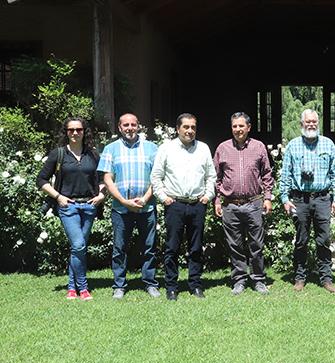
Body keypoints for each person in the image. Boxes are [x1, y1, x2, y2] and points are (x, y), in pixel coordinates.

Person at [36, 117, 106, 301]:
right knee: (78, 245)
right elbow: (41, 180)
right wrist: (58, 197)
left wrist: (101, 195)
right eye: (71, 130)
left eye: (79, 129)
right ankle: (82, 288)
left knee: (79, 248)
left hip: (89, 207)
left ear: (84, 132)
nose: (75, 133)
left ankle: (71, 287)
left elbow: (101, 179)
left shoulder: (92, 154)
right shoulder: (58, 154)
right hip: (68, 207)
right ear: (66, 132)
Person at [151, 113, 215, 301]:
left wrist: (208, 196)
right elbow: (156, 176)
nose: (189, 130)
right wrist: (163, 197)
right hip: (175, 204)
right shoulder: (166, 149)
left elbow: (211, 176)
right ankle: (171, 286)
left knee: (196, 247)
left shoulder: (203, 149)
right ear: (178, 129)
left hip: (197, 204)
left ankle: (195, 284)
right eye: (186, 127)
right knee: (172, 247)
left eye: (193, 127)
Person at [279, 109, 335, 293]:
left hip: (322, 198)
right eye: (307, 122)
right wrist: (285, 198)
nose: (311, 125)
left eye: (314, 121)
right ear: (301, 124)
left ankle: (326, 278)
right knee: (301, 240)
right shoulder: (293, 145)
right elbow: (285, 175)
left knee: (323, 240)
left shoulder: (328, 144)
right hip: (300, 199)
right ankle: (300, 277)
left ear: (318, 123)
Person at [98, 113, 160, 299]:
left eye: (133, 124)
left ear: (138, 126)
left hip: (146, 207)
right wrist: (124, 201)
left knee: (149, 247)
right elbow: (108, 179)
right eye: (126, 125)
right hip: (120, 208)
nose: (130, 128)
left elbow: (157, 176)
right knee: (119, 248)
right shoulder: (111, 149)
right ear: (119, 127)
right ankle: (119, 285)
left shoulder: (152, 148)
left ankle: (150, 283)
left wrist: (146, 198)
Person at [213, 112, 274, 295]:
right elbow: (216, 177)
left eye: (241, 126)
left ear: (249, 127)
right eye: (235, 126)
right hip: (230, 205)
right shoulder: (222, 148)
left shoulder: (258, 147)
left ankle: (258, 279)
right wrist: (217, 200)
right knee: (235, 245)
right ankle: (239, 279)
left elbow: (267, 174)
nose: (238, 130)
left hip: (253, 203)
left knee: (256, 244)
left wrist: (268, 197)